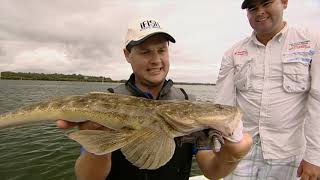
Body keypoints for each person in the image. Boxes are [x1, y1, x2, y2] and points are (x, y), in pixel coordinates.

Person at [57, 17, 252, 180]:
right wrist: (97, 147)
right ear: (127, 55)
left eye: (161, 50)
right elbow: (88, 178)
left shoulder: (187, 101)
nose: (156, 60)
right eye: (145, 52)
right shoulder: (106, 101)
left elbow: (212, 171)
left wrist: (231, 156)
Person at [215, 0, 320, 179]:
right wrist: (220, 149)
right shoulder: (233, 53)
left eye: (266, 3)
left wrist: (314, 157)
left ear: (284, 2)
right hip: (241, 151)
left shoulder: (312, 42)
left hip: (290, 153)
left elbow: (317, 100)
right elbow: (223, 107)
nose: (260, 12)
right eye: (252, 8)